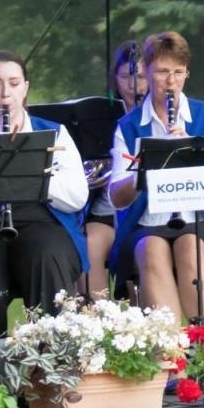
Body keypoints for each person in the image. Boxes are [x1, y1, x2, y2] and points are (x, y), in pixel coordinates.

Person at [0, 52, 88, 331]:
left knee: (46, 255)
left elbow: (76, 197)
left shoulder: (55, 133)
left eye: (13, 83)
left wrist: (31, 177)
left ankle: (55, 359)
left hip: (40, 221)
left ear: (25, 88)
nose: (5, 93)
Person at [106, 31, 204, 326]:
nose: (170, 81)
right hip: (147, 222)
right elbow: (117, 196)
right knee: (149, 248)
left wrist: (193, 149)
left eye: (178, 72)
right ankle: (173, 353)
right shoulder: (128, 126)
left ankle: (203, 351)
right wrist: (146, 170)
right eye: (162, 72)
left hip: (202, 219)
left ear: (187, 73)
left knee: (190, 244)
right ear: (147, 73)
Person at [83, 41, 145, 298]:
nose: (133, 85)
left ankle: (139, 326)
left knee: (136, 246)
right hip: (107, 211)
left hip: (143, 208)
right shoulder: (102, 116)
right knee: (90, 243)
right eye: (125, 77)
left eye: (140, 76)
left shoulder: (159, 112)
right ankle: (99, 324)